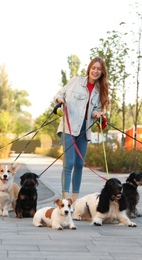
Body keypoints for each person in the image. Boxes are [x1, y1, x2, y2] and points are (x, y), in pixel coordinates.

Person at [54, 56, 109, 202]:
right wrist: (61, 101)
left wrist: (97, 113)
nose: (95, 71)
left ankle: (75, 200)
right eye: (94, 68)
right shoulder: (76, 81)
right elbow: (59, 94)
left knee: (79, 164)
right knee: (69, 163)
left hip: (85, 129)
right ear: (89, 68)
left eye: (99, 69)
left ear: (102, 72)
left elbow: (95, 109)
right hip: (69, 126)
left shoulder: (99, 90)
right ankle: (65, 200)